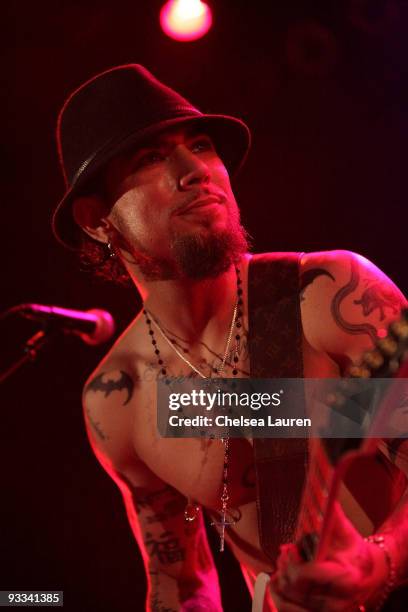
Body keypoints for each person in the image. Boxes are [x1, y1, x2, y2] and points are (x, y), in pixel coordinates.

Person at [52, 64, 408, 611]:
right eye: (150, 158)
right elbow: (182, 582)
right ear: (97, 219)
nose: (195, 169)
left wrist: (375, 561)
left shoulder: (328, 298)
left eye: (201, 145)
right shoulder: (121, 398)